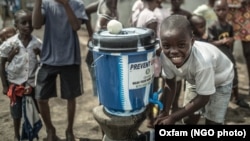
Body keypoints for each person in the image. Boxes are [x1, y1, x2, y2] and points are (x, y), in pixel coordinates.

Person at [154, 15, 234, 125]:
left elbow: (203, 98)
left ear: (192, 41)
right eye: (167, 46)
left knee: (213, 122)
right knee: (188, 119)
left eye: (181, 45)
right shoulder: (165, 56)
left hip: (221, 81)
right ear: (161, 44)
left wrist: (173, 117)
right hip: (196, 79)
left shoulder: (203, 62)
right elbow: (170, 83)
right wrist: (165, 112)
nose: (173, 51)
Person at [32, 0, 89, 140]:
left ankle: (69, 130)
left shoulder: (78, 4)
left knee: (71, 97)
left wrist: (65, 4)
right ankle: (50, 130)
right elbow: (36, 24)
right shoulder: (46, 4)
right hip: (48, 58)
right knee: (41, 98)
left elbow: (76, 26)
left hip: (70, 58)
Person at [0, 9, 42, 141]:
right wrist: (5, 85)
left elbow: (43, 63)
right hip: (15, 84)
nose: (28, 26)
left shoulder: (37, 43)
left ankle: (32, 133)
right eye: (23, 23)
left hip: (31, 84)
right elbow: (1, 64)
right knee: (16, 111)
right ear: (16, 25)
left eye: (30, 22)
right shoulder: (9, 44)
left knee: (33, 110)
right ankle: (17, 135)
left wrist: (39, 53)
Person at [208, 0, 249, 108]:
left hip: (228, 55)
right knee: (218, 77)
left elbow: (232, 38)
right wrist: (222, 42)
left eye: (224, 10)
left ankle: (236, 97)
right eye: (218, 10)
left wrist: (230, 40)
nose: (221, 12)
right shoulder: (212, 26)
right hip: (218, 57)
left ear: (227, 10)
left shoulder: (230, 26)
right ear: (214, 10)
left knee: (234, 75)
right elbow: (210, 42)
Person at [85, 0, 118, 97]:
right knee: (101, 87)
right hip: (97, 54)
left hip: (106, 53)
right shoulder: (103, 5)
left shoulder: (113, 6)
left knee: (108, 85)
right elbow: (86, 11)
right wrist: (91, 34)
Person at [226, 0, 250, 96]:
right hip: (227, 12)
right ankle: (229, 87)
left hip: (246, 13)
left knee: (249, 53)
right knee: (227, 52)